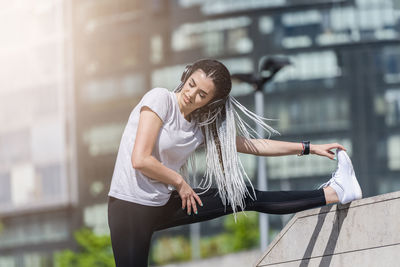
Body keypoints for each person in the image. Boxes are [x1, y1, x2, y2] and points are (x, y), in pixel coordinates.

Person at [107, 59, 362, 267]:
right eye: (191, 84)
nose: (191, 94)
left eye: (202, 94)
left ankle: (334, 192)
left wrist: (309, 148)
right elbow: (140, 159)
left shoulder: (200, 128)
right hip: (129, 207)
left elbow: (253, 145)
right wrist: (180, 183)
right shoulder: (160, 99)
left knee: (245, 197)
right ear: (186, 76)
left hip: (162, 203)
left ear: (211, 102)